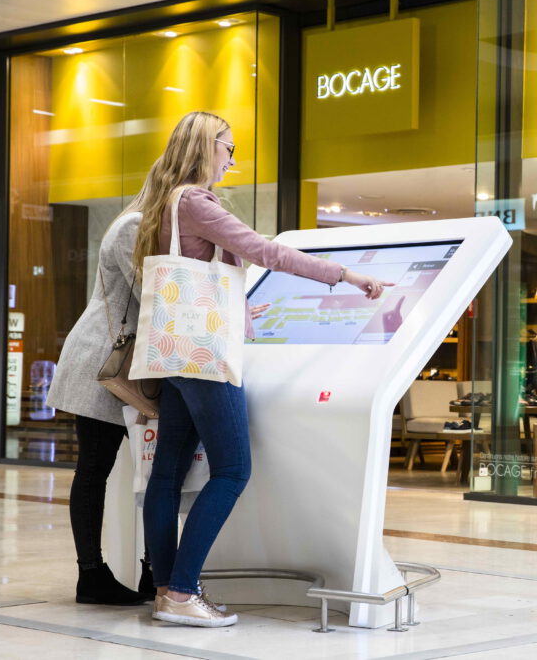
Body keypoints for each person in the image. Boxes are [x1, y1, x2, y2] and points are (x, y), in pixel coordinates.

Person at [138, 111, 389, 628]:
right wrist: (343, 274)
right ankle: (183, 591)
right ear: (205, 146)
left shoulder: (167, 201)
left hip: (177, 352)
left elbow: (203, 279)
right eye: (228, 147)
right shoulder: (197, 201)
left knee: (166, 476)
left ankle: (166, 590)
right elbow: (264, 251)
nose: (232, 158)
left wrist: (244, 311)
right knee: (233, 470)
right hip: (207, 359)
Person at [46, 211, 153, 606]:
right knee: (94, 467)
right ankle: (91, 574)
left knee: (155, 469)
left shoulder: (156, 228)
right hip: (106, 362)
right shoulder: (133, 226)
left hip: (136, 366)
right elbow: (151, 296)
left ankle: (154, 571)